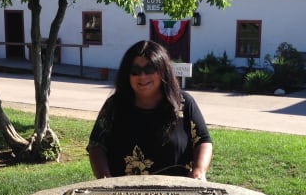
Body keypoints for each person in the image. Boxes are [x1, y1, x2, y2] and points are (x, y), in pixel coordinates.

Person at [87, 40, 212, 179]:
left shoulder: (184, 103)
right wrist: (105, 180)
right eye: (135, 71)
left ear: (163, 71)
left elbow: (203, 141)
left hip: (176, 194)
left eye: (149, 69)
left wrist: (199, 170)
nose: (142, 76)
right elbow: (96, 145)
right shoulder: (114, 106)